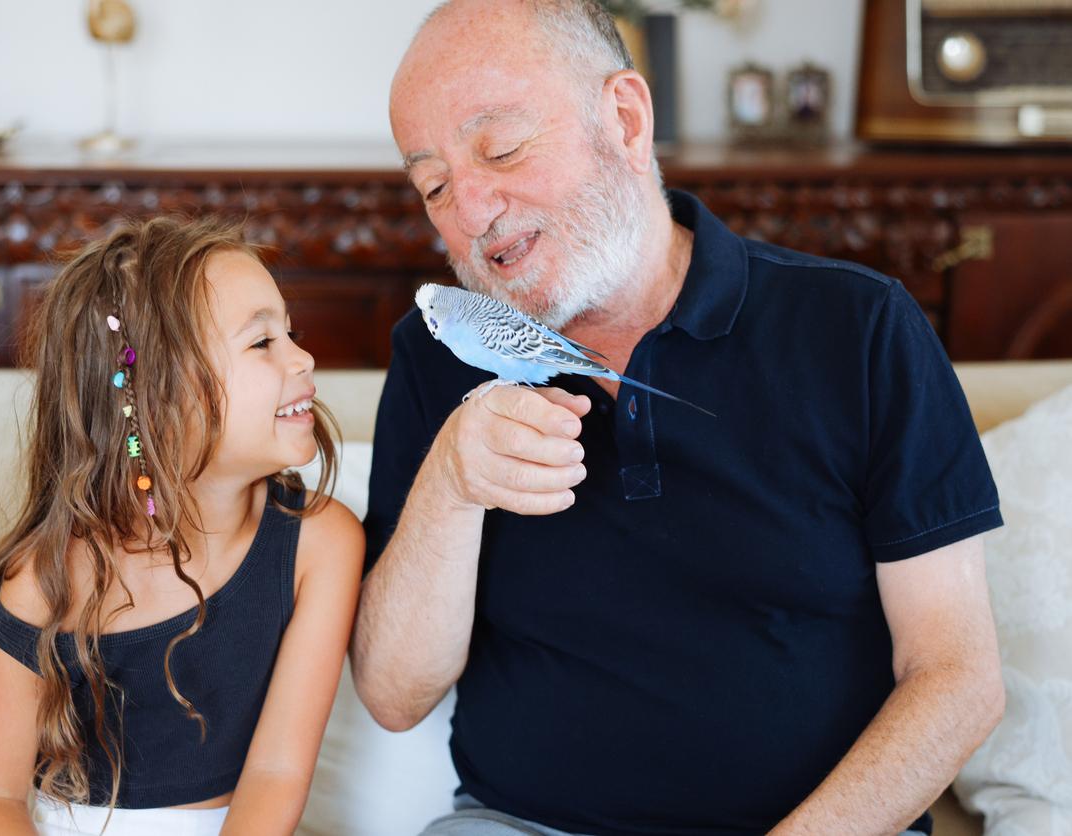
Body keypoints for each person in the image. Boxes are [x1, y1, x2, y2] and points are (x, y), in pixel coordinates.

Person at [351, 2, 1005, 835]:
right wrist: (450, 482)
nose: (471, 212)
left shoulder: (859, 328)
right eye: (433, 185)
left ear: (624, 118)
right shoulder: (439, 350)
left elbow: (958, 676)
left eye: (502, 148)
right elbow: (393, 695)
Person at [0, 216, 363, 836]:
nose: (304, 356)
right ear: (156, 396)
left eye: (290, 332)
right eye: (263, 343)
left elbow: (276, 776)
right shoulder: (52, 575)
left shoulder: (322, 545)